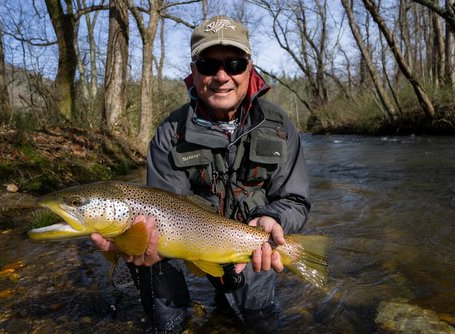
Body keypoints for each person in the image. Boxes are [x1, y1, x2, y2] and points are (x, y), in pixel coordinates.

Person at [91, 15, 311, 333]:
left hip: (249, 245)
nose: (222, 76)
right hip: (182, 241)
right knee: (165, 316)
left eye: (234, 63)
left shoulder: (278, 126)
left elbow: (294, 198)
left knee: (256, 320)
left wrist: (275, 219)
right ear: (194, 71)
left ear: (250, 67)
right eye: (208, 65)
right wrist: (131, 240)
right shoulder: (170, 133)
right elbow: (163, 208)